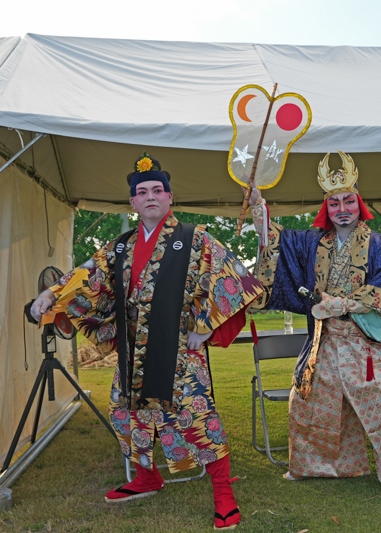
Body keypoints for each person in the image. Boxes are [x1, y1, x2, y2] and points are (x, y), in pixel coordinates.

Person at [30, 153, 263, 530]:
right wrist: (52, 295)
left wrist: (206, 324)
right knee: (129, 416)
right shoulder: (118, 247)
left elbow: (233, 279)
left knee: (198, 418)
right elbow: (86, 276)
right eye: (143, 192)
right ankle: (146, 477)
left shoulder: (195, 239)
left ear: (170, 198)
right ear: (133, 202)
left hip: (180, 352)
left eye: (158, 190)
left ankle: (224, 493)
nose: (151, 196)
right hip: (131, 350)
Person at [247, 150, 381, 505]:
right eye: (334, 203)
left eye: (348, 200)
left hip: (368, 346)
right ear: (326, 208)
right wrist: (259, 206)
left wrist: (345, 304)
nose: (342, 209)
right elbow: (276, 240)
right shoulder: (312, 243)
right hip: (326, 342)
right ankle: (316, 465)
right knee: (309, 403)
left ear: (359, 202)